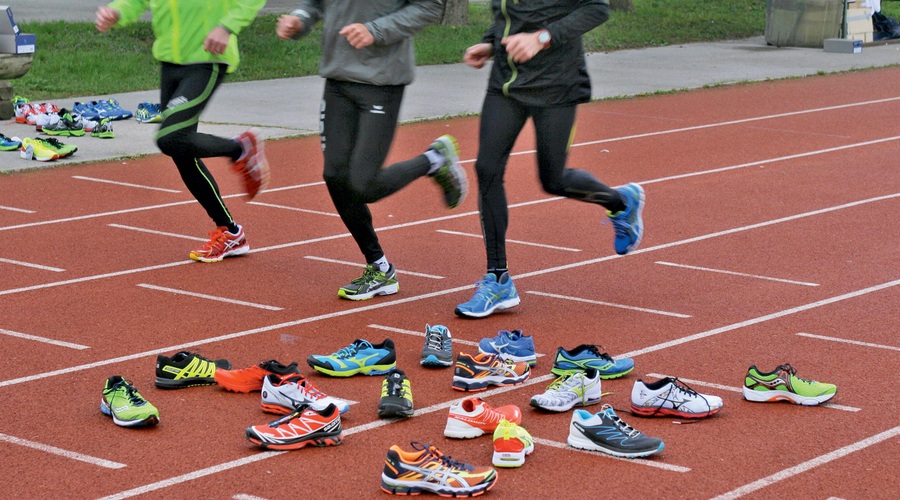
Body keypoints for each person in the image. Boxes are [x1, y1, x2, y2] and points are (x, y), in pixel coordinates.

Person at [454, 0, 645, 318]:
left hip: (557, 84)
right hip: (506, 84)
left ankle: (621, 203)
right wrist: (490, 42)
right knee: (487, 168)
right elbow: (509, 12)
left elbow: (597, 9)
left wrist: (541, 38)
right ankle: (498, 278)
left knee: (553, 180)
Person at [276, 1, 467, 301]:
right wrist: (300, 20)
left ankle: (434, 160)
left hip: (381, 80)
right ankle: (379, 268)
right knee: (335, 175)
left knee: (364, 184)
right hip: (338, 79)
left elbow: (429, 7)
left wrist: (375, 30)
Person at [96, 0, 270, 263]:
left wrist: (226, 26)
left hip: (207, 57)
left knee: (171, 138)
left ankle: (241, 148)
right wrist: (117, 12)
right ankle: (231, 233)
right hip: (171, 61)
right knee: (181, 150)